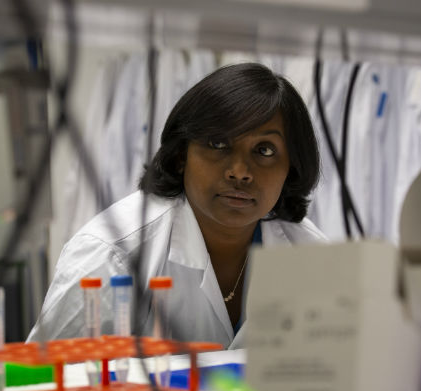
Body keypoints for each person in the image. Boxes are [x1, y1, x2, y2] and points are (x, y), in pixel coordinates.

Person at [27, 62, 326, 349]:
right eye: (218, 144)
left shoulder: (311, 254)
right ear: (182, 155)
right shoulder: (112, 254)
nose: (240, 170)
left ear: (291, 168)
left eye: (264, 150)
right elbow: (39, 380)